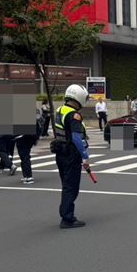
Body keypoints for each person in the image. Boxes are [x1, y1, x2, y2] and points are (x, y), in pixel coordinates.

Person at [52, 84, 91, 229]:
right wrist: (85, 157)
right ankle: (67, 218)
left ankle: (66, 214)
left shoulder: (60, 110)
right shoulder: (74, 115)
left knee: (66, 185)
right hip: (71, 154)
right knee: (71, 187)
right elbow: (76, 138)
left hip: (60, 153)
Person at [15, 117, 40, 185]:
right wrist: (36, 138)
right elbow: (38, 127)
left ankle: (28, 176)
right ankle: (26, 175)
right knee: (24, 157)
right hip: (29, 138)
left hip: (23, 138)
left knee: (24, 157)